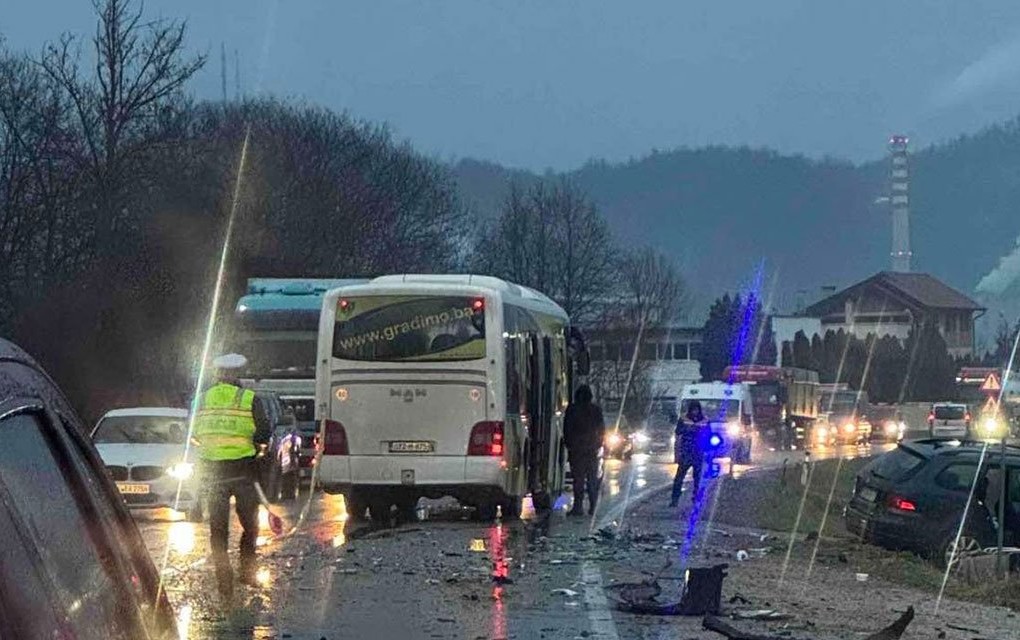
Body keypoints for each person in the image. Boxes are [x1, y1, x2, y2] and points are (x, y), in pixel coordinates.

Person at [193, 353, 271, 597]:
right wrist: (257, 446)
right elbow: (264, 432)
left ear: (217, 375)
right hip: (242, 472)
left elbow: (193, 433)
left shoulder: (202, 399)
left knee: (218, 529)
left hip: (213, 473)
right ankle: (247, 571)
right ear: (238, 375)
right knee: (250, 525)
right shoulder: (249, 398)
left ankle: (223, 580)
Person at [564, 385, 605, 516]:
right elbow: (602, 428)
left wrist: (569, 444)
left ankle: (578, 507)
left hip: (576, 450)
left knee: (578, 480)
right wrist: (598, 443)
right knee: (592, 479)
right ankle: (593, 507)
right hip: (592, 449)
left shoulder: (572, 409)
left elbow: (567, 429)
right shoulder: (595, 410)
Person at [671, 400, 709, 506]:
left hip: (698, 453)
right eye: (693, 410)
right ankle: (674, 499)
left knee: (697, 479)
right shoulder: (683, 420)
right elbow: (678, 436)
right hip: (686, 453)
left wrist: (707, 451)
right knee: (679, 478)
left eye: (696, 410)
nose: (695, 412)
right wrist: (677, 453)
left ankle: (696, 498)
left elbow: (708, 436)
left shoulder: (705, 420)